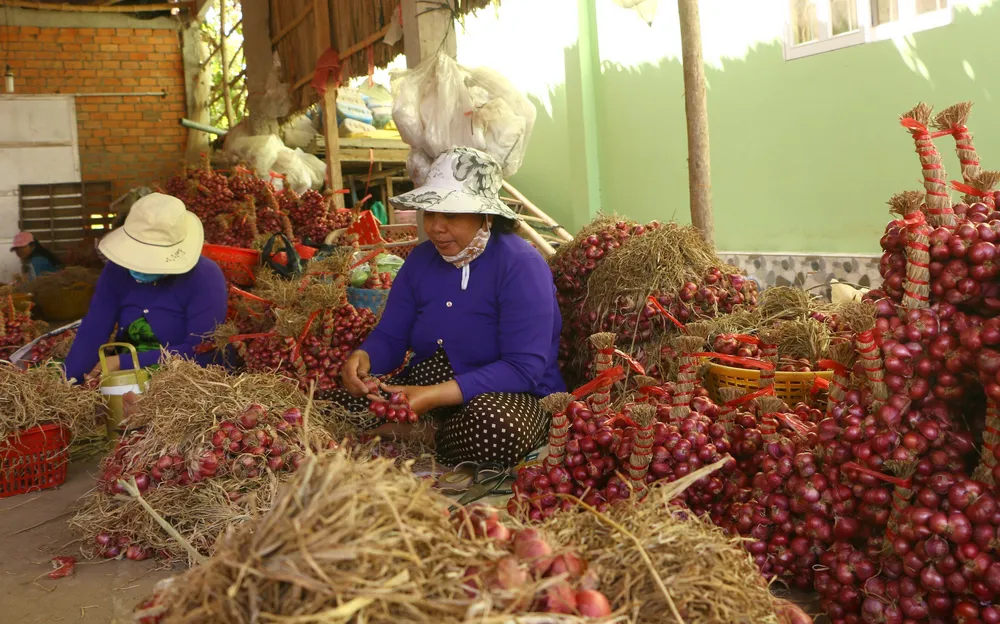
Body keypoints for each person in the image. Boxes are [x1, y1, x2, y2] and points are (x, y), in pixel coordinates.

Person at [330, 146, 566, 467]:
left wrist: (434, 397)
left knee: (495, 430)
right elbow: (392, 336)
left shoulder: (520, 265)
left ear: (486, 216)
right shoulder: (421, 260)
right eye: (430, 213)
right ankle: (427, 428)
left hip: (511, 393)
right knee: (337, 403)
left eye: (451, 215)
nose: (435, 227)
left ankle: (427, 432)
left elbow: (523, 368)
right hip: (430, 382)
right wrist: (364, 357)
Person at [63, 193, 228, 383]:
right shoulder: (116, 271)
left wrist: (123, 362)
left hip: (185, 381)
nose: (138, 267)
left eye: (148, 262)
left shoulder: (205, 277)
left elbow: (201, 349)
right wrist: (70, 381)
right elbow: (94, 327)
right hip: (127, 377)